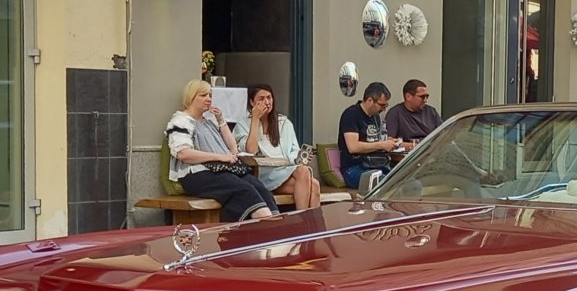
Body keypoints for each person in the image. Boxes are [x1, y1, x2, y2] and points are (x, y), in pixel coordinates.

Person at [166, 80, 278, 222]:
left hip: (221, 169)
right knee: (243, 189)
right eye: (203, 95)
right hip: (196, 173)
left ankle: (274, 225)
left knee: (258, 187)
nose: (208, 99)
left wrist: (221, 121)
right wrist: (220, 157)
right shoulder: (181, 121)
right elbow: (184, 154)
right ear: (191, 97)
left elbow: (233, 148)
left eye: (210, 95)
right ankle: (265, 227)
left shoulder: (208, 121)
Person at [235, 83, 320, 211]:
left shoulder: (284, 123)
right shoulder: (243, 124)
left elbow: (293, 150)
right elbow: (251, 150)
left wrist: (300, 157)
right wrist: (255, 120)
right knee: (310, 180)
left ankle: (308, 224)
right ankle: (307, 225)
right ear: (252, 103)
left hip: (286, 170)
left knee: (310, 179)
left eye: (269, 98)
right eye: (261, 99)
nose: (267, 102)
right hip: (263, 173)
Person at [338, 81, 402, 189]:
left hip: (376, 164)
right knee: (386, 184)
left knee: (411, 183)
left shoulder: (375, 116)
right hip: (355, 167)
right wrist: (381, 145)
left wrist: (390, 143)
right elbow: (353, 147)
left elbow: (375, 141)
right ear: (370, 100)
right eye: (382, 105)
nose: (384, 109)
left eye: (386, 105)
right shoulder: (351, 114)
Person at [384, 79, 442, 144]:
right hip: (409, 151)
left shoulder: (431, 112)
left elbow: (443, 134)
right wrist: (412, 146)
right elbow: (389, 141)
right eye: (422, 97)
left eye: (427, 96)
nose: (425, 100)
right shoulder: (395, 113)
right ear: (408, 96)